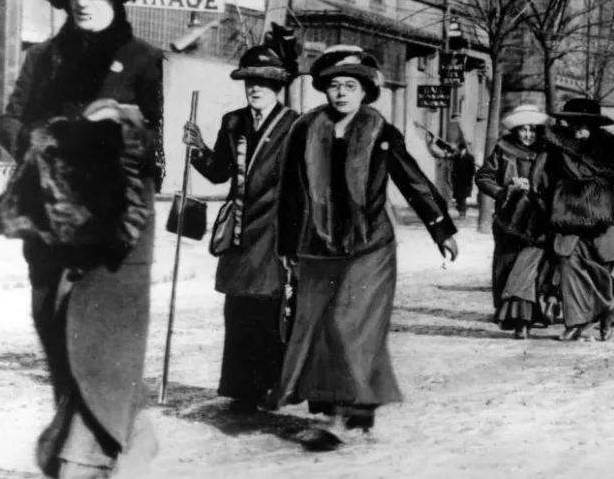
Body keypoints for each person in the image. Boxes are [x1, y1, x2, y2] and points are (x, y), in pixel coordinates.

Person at [0, 0, 161, 478]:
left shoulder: (141, 59)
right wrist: (49, 142)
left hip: (116, 221)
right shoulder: (40, 58)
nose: (82, 2)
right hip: (46, 217)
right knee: (55, 329)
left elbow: (154, 142)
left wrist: (121, 125)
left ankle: (84, 457)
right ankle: (125, 432)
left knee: (102, 335)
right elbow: (9, 122)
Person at [270, 45, 459, 448]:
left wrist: (441, 228)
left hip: (369, 246)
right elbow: (289, 191)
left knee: (349, 325)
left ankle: (352, 410)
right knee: (319, 328)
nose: (341, 93)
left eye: (349, 86)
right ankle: (340, 411)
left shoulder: (380, 132)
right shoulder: (305, 129)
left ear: (364, 91)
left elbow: (412, 181)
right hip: (316, 245)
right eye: (334, 85)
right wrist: (286, 243)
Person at [181, 26, 300, 412]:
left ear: (277, 86)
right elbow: (218, 172)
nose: (255, 88)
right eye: (250, 81)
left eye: (264, 82)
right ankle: (240, 386)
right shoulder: (233, 122)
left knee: (269, 307)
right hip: (236, 227)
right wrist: (198, 149)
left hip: (275, 228)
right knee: (237, 308)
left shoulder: (294, 125)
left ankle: (272, 386)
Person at [532, 98, 614, 341]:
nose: (577, 128)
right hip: (568, 216)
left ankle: (606, 310)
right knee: (568, 265)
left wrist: (599, 184)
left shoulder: (608, 145)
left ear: (594, 125)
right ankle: (576, 321)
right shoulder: (555, 146)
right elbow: (540, 179)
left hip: (600, 217)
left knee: (600, 269)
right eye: (573, 122)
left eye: (583, 123)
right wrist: (552, 200)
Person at [475, 104, 552, 336]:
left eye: (532, 130)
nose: (528, 135)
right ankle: (507, 313)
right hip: (508, 219)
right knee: (506, 266)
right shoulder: (503, 148)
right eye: (523, 129)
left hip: (538, 219)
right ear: (515, 130)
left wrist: (538, 189)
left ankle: (526, 317)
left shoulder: (546, 152)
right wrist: (504, 190)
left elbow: (557, 182)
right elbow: (483, 177)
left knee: (530, 267)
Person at [450, 141, 476, 219]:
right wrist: (453, 177)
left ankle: (462, 213)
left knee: (462, 197)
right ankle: (460, 211)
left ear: (465, 150)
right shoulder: (456, 157)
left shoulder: (470, 158)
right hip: (457, 181)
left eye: (463, 149)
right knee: (458, 197)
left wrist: (468, 178)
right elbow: (453, 168)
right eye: (460, 149)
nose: (461, 151)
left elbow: (473, 170)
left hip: (465, 181)